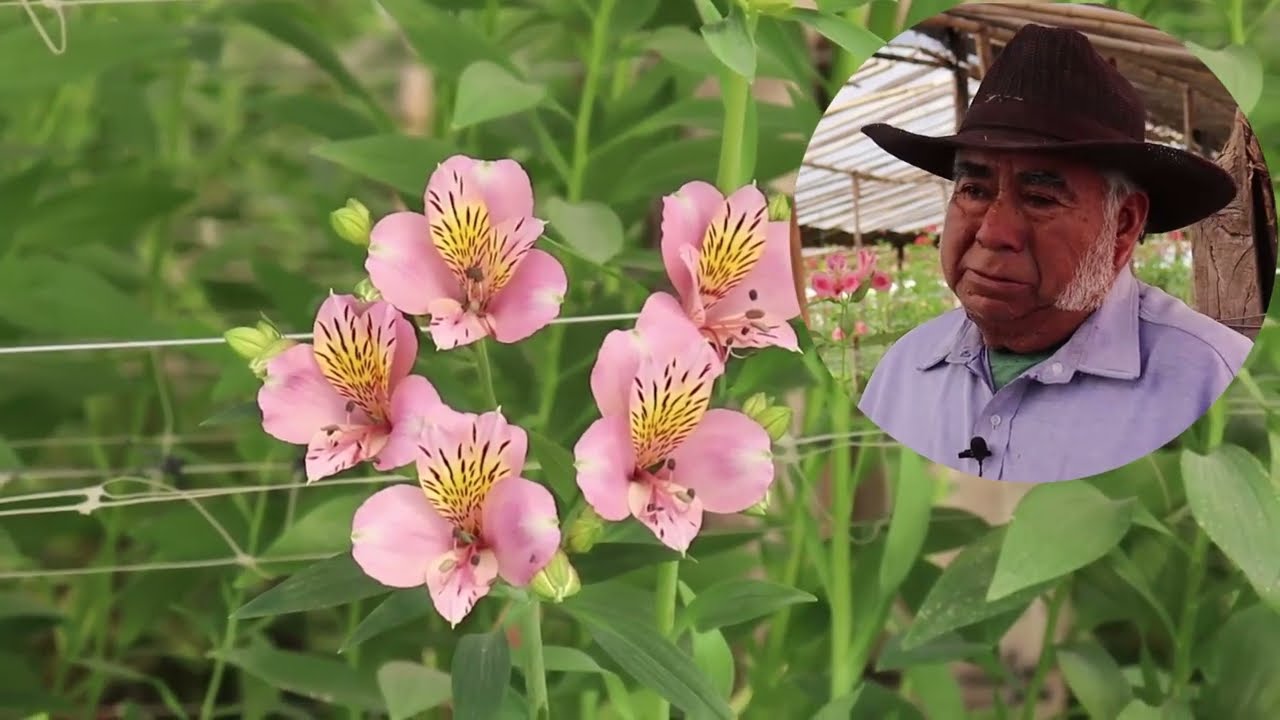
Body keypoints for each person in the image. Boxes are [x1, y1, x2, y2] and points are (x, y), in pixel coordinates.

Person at [856, 23, 1255, 483]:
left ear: (1123, 225)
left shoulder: (1207, 377)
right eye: (972, 189)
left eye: (1041, 198)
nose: (993, 231)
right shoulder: (905, 368)